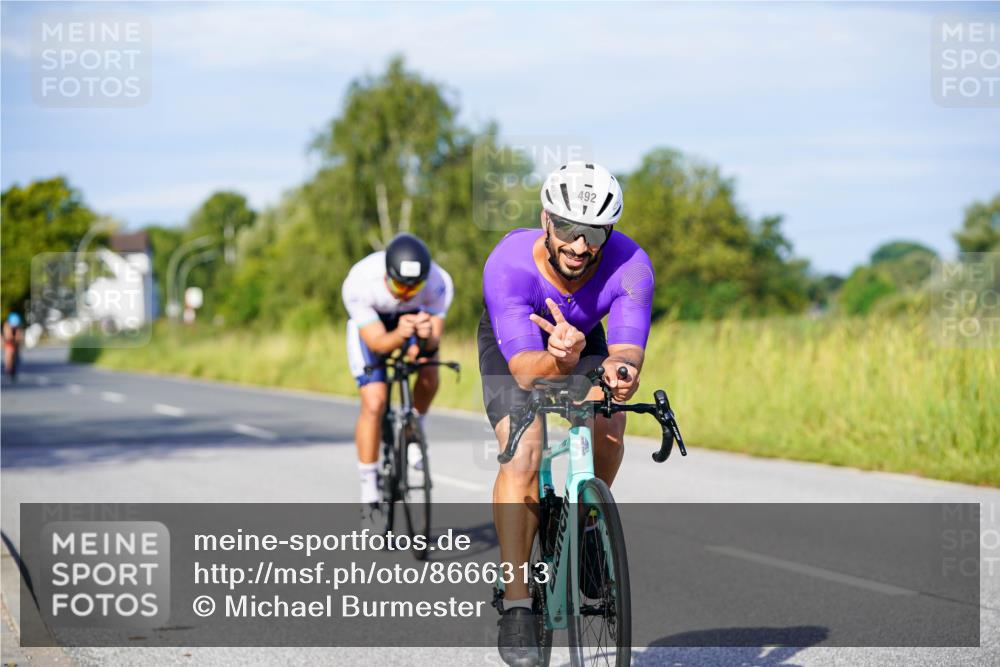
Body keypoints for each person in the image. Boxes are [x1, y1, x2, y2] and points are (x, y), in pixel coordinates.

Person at [479, 162, 654, 666]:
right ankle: (516, 604)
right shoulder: (509, 264)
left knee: (610, 418)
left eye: (595, 231)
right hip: (518, 343)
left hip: (581, 337)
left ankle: (589, 523)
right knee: (524, 452)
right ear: (546, 220)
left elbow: (626, 353)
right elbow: (526, 371)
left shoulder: (632, 265)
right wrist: (558, 359)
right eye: (570, 229)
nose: (581, 246)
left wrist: (621, 374)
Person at [342, 233, 454, 527]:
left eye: (413, 287)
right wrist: (401, 334)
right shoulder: (359, 281)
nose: (405, 292)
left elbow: (433, 343)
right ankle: (369, 486)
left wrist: (424, 338)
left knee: (430, 371)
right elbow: (378, 343)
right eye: (398, 285)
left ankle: (416, 433)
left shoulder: (438, 282)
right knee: (375, 401)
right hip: (374, 329)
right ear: (386, 276)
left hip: (415, 323)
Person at [3, 313, 25, 382]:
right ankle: (8, 368)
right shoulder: (7, 325)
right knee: (9, 351)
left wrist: (18, 339)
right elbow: (7, 336)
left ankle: (16, 364)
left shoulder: (19, 326)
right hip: (8, 341)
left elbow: (20, 336)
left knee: (17, 353)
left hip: (15, 342)